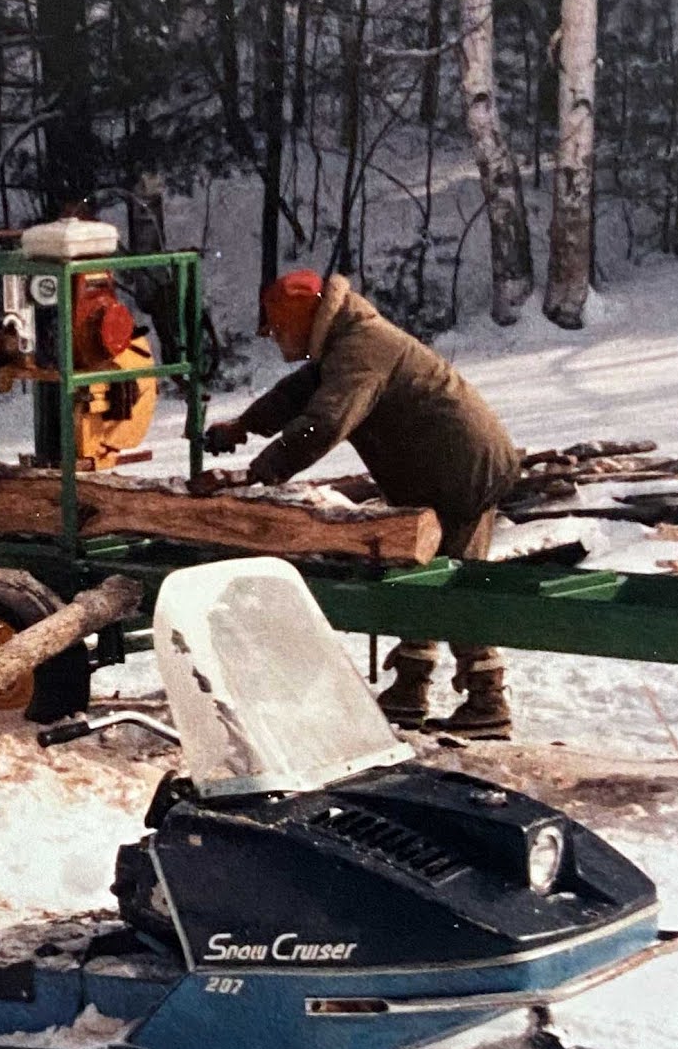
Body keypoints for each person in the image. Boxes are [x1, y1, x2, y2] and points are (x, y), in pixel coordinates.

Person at [200, 269, 521, 738]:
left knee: (455, 582)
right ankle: (411, 687)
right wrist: (244, 426)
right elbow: (300, 392)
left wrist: (257, 473)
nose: (277, 341)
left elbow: (325, 422)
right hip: (432, 472)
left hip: (463, 470)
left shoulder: (362, 348)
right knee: (420, 571)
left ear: (301, 319)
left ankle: (486, 698)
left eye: (279, 330)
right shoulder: (345, 341)